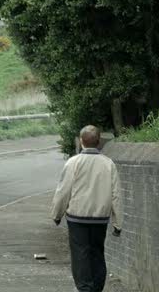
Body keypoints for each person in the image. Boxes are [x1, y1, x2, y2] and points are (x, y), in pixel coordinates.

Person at [50, 125, 124, 292]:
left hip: (77, 218)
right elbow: (116, 195)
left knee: (80, 255)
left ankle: (84, 288)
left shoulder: (73, 163)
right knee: (97, 253)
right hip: (100, 218)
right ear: (99, 143)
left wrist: (57, 214)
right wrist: (118, 223)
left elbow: (63, 191)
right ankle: (97, 288)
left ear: (81, 141)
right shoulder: (108, 164)